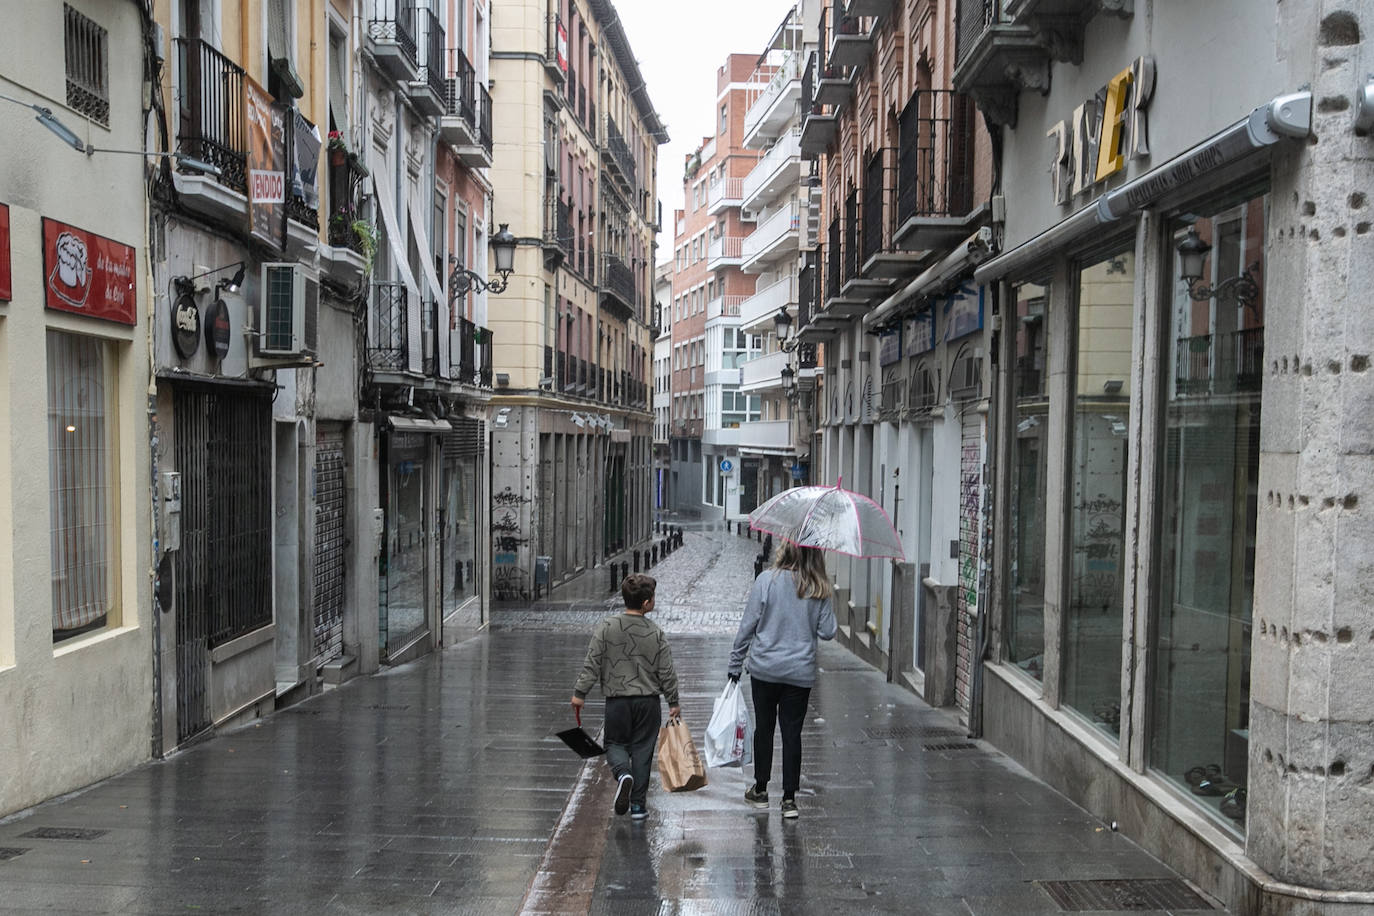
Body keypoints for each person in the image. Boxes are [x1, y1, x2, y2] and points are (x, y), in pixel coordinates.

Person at [727, 542, 836, 819]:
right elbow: (828, 631)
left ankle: (761, 790)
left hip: (765, 669)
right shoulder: (817, 587)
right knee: (792, 734)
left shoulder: (766, 580)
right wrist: (823, 597)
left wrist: (735, 664)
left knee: (764, 728)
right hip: (799, 674)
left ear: (786, 551)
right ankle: (789, 800)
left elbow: (747, 626)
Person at [571, 573, 680, 822]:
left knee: (615, 744)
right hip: (648, 703)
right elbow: (667, 672)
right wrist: (673, 701)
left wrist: (580, 694)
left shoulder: (607, 627)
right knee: (643, 751)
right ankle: (638, 807)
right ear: (646, 603)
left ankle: (622, 775)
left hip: (617, 702)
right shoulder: (656, 633)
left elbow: (592, 663)